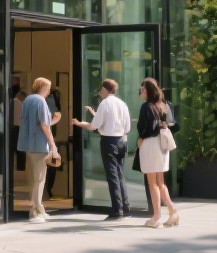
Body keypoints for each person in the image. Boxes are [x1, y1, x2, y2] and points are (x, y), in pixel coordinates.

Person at [72, 79, 132, 221]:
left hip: (109, 141)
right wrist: (95, 114)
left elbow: (94, 126)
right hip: (121, 140)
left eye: (101, 90)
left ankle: (117, 210)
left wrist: (78, 123)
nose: (100, 92)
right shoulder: (122, 104)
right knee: (120, 174)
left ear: (105, 89)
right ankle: (126, 208)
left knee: (112, 176)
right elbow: (127, 127)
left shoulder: (105, 103)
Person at [136, 78, 178, 229]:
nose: (141, 91)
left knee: (152, 182)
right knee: (160, 182)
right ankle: (172, 211)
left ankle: (156, 216)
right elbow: (172, 124)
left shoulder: (146, 107)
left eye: (142, 89)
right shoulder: (163, 105)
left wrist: (141, 138)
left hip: (150, 144)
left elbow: (144, 126)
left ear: (148, 91)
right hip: (162, 143)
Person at [16, 77, 59, 223]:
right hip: (39, 144)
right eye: (48, 88)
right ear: (44, 87)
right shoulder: (40, 101)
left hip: (28, 144)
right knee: (40, 179)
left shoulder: (27, 100)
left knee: (35, 178)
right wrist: (52, 144)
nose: (49, 91)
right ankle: (35, 211)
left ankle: (39, 208)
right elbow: (44, 125)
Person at [43, 87, 64, 199]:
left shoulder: (47, 102)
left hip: (48, 138)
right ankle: (48, 189)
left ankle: (47, 189)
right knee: (51, 166)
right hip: (50, 138)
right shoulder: (52, 102)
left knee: (47, 166)